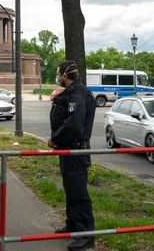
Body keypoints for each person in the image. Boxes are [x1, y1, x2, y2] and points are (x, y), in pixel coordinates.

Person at [47, 60, 95, 251]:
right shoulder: (72, 92)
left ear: (65, 75)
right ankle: (73, 225)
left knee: (78, 193)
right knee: (71, 190)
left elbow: (74, 125)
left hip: (75, 150)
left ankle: (86, 235)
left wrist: (55, 139)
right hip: (69, 150)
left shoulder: (79, 94)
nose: (58, 77)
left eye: (58, 73)